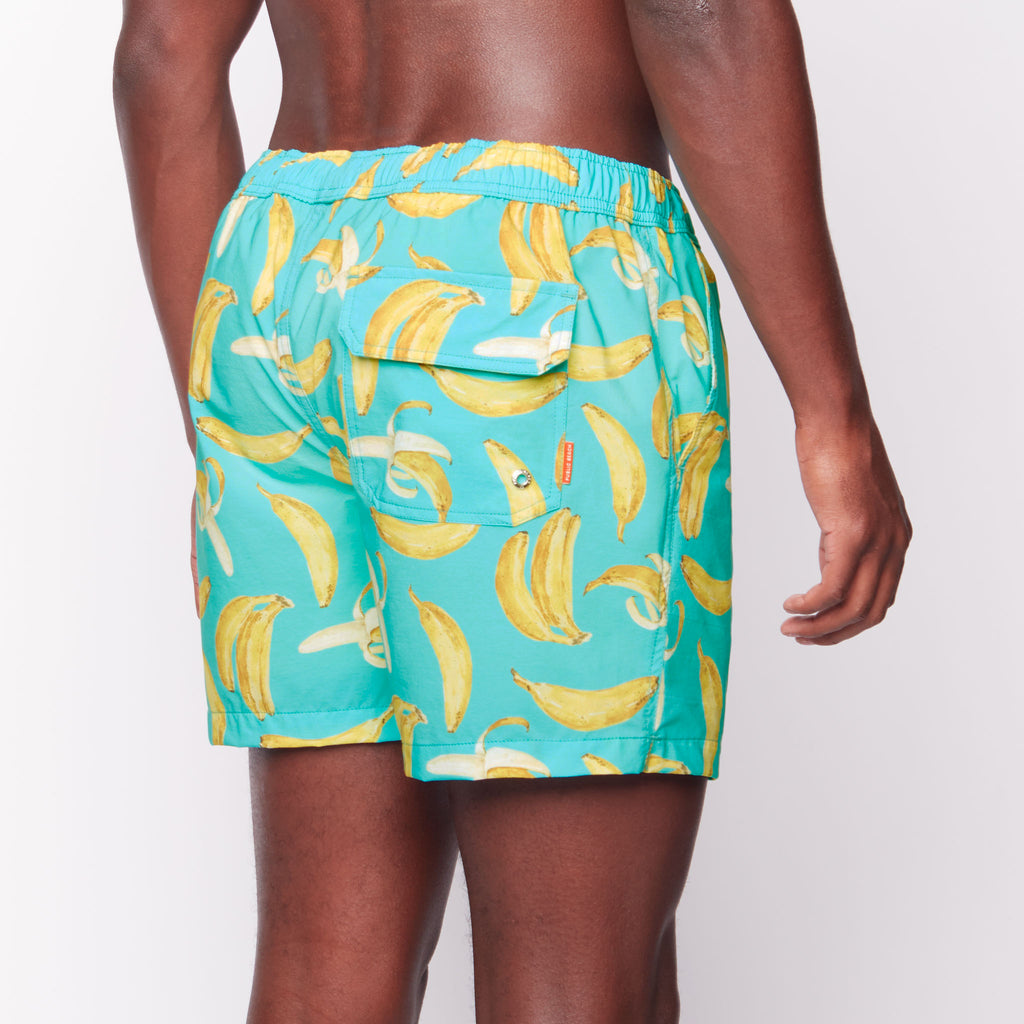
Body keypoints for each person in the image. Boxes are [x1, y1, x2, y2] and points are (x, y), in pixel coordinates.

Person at [112, 1, 912, 1020]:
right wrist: (832, 411)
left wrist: (234, 432)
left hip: (276, 282)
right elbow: (697, 10)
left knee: (323, 968)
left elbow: (159, 56)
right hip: (523, 275)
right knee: (576, 979)